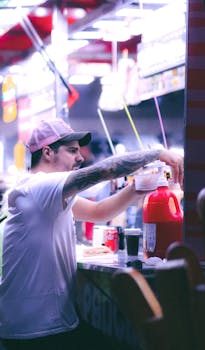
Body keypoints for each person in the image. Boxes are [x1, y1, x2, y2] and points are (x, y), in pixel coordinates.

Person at [0, 119, 183, 350]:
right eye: (72, 150)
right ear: (47, 152)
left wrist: (135, 188)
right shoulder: (38, 186)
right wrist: (157, 153)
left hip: (45, 324)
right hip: (36, 331)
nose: (80, 157)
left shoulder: (48, 195)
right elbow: (105, 170)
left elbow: (98, 212)